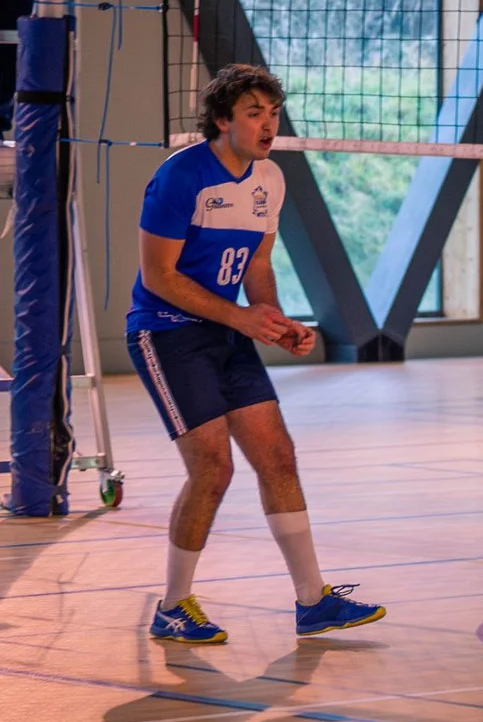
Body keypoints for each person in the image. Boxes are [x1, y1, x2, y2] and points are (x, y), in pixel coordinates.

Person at [131, 65, 382, 645]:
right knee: (213, 469)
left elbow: (259, 264)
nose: (268, 124)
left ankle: (313, 602)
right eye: (253, 113)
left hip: (226, 332)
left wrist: (273, 320)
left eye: (273, 113)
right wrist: (241, 318)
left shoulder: (270, 178)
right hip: (167, 332)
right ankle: (172, 606)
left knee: (279, 459)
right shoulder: (181, 177)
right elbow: (159, 276)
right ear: (223, 120)